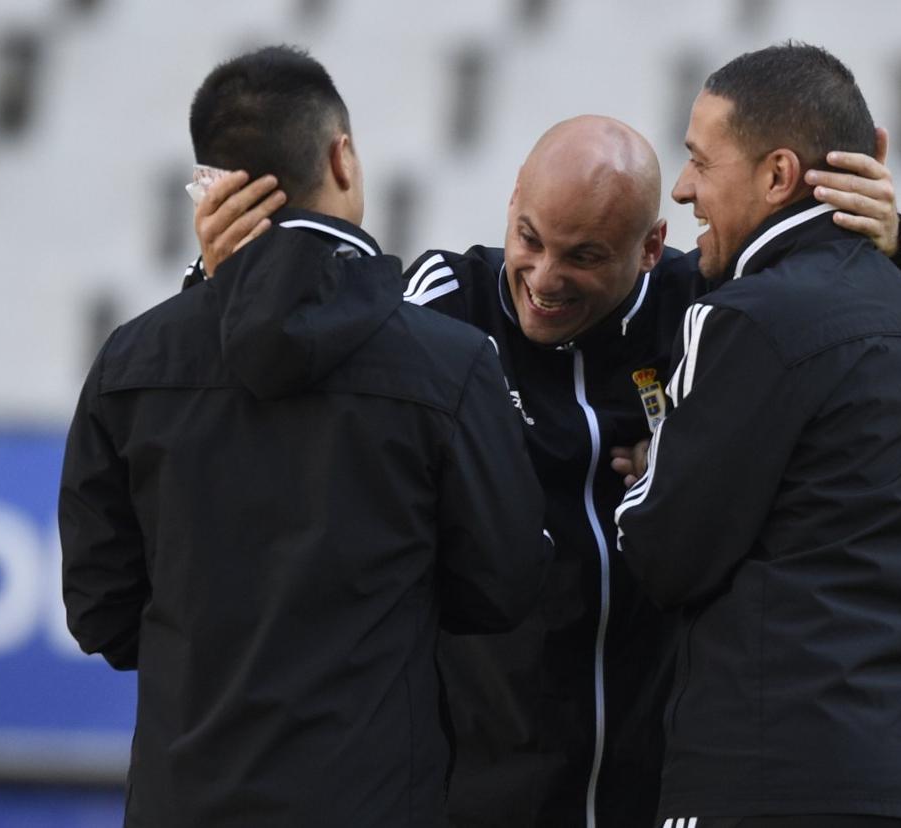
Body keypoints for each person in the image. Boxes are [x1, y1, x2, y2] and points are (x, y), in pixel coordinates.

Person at [194, 116, 901, 827]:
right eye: (530, 238)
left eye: (584, 257)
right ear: (510, 204)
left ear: (650, 249)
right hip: (480, 794)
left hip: (663, 791)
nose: (543, 279)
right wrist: (217, 284)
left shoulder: (712, 313)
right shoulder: (446, 306)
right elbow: (290, 367)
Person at [58, 45, 550, 827]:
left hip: (182, 801)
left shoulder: (132, 362)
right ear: (343, 158)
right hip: (374, 798)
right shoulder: (448, 364)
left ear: (211, 189)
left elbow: (101, 611)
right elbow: (507, 585)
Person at [614, 43, 901, 828]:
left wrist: (652, 470)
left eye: (699, 162)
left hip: (778, 780)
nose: (683, 190)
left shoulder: (747, 319)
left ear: (777, 175)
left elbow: (665, 550)